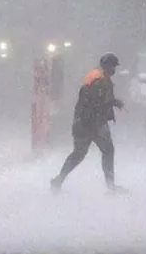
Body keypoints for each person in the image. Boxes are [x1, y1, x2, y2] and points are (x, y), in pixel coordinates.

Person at [50, 53, 126, 192]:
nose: (114, 70)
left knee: (79, 154)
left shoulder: (96, 77)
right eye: (113, 67)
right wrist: (112, 103)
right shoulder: (100, 80)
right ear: (107, 66)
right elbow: (96, 102)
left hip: (83, 122)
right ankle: (111, 186)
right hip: (93, 123)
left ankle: (58, 180)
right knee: (107, 151)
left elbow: (92, 100)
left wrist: (112, 103)